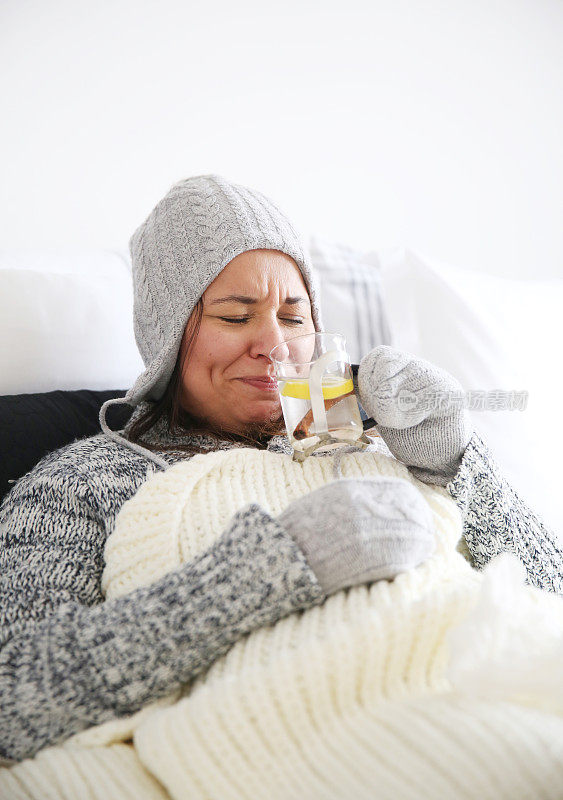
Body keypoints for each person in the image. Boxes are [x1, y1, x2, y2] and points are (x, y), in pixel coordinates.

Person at [1, 174, 562, 766]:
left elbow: (550, 596)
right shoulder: (90, 480)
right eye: (237, 317)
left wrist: (456, 461)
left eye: (294, 319)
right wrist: (268, 570)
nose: (275, 345)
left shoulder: (382, 450)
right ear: (168, 337)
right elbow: (14, 696)